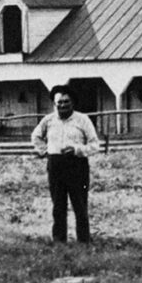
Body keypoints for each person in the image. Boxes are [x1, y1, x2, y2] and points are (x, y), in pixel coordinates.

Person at [30, 86, 100, 244]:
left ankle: (83, 242)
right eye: (59, 102)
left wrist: (77, 149)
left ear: (73, 103)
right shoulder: (48, 120)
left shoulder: (82, 119)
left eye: (66, 102)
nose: (62, 105)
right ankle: (59, 242)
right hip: (56, 165)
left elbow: (95, 145)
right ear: (54, 104)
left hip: (77, 166)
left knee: (80, 206)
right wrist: (45, 151)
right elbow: (35, 136)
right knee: (58, 207)